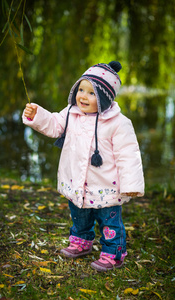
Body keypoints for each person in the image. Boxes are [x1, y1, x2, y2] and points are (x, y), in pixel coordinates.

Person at [22, 61, 144, 272]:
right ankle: (81, 241)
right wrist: (37, 115)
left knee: (109, 221)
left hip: (106, 185)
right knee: (80, 216)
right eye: (80, 89)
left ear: (105, 97)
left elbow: (128, 155)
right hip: (76, 182)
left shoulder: (119, 123)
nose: (83, 96)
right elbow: (53, 125)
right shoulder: (71, 113)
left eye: (91, 92)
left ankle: (114, 252)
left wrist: (131, 185)